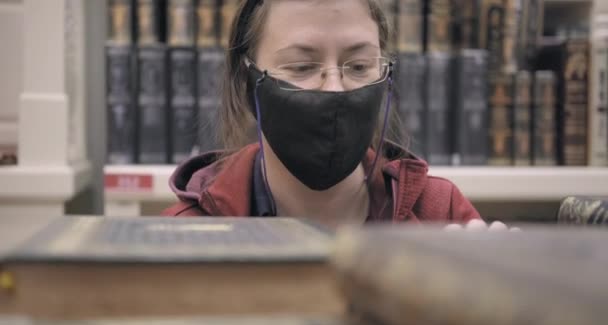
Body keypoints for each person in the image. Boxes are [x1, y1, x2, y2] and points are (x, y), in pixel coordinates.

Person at [163, 0, 505, 231]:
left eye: (358, 66)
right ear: (245, 81)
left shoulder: (440, 215)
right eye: (301, 67)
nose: (335, 89)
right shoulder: (182, 234)